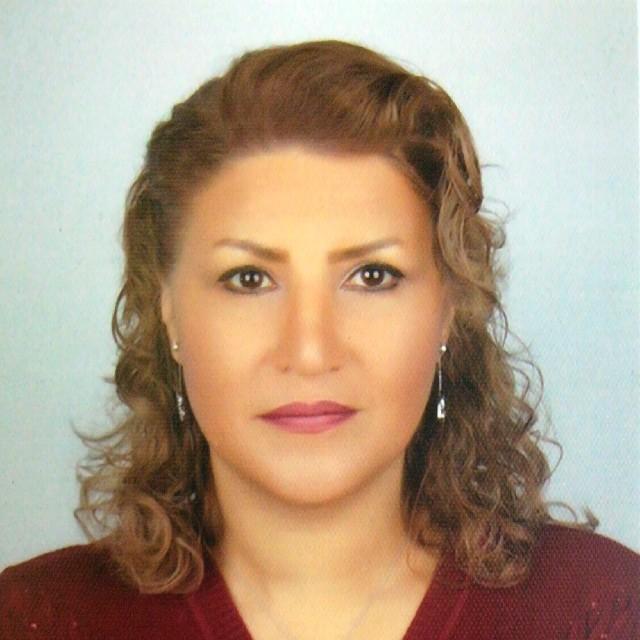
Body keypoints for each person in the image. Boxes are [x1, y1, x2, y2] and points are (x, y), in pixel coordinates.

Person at [1, 39, 638, 640]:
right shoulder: (35, 619)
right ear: (166, 309)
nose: (309, 352)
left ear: (449, 308)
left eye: (372, 276)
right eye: (249, 279)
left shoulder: (598, 612)